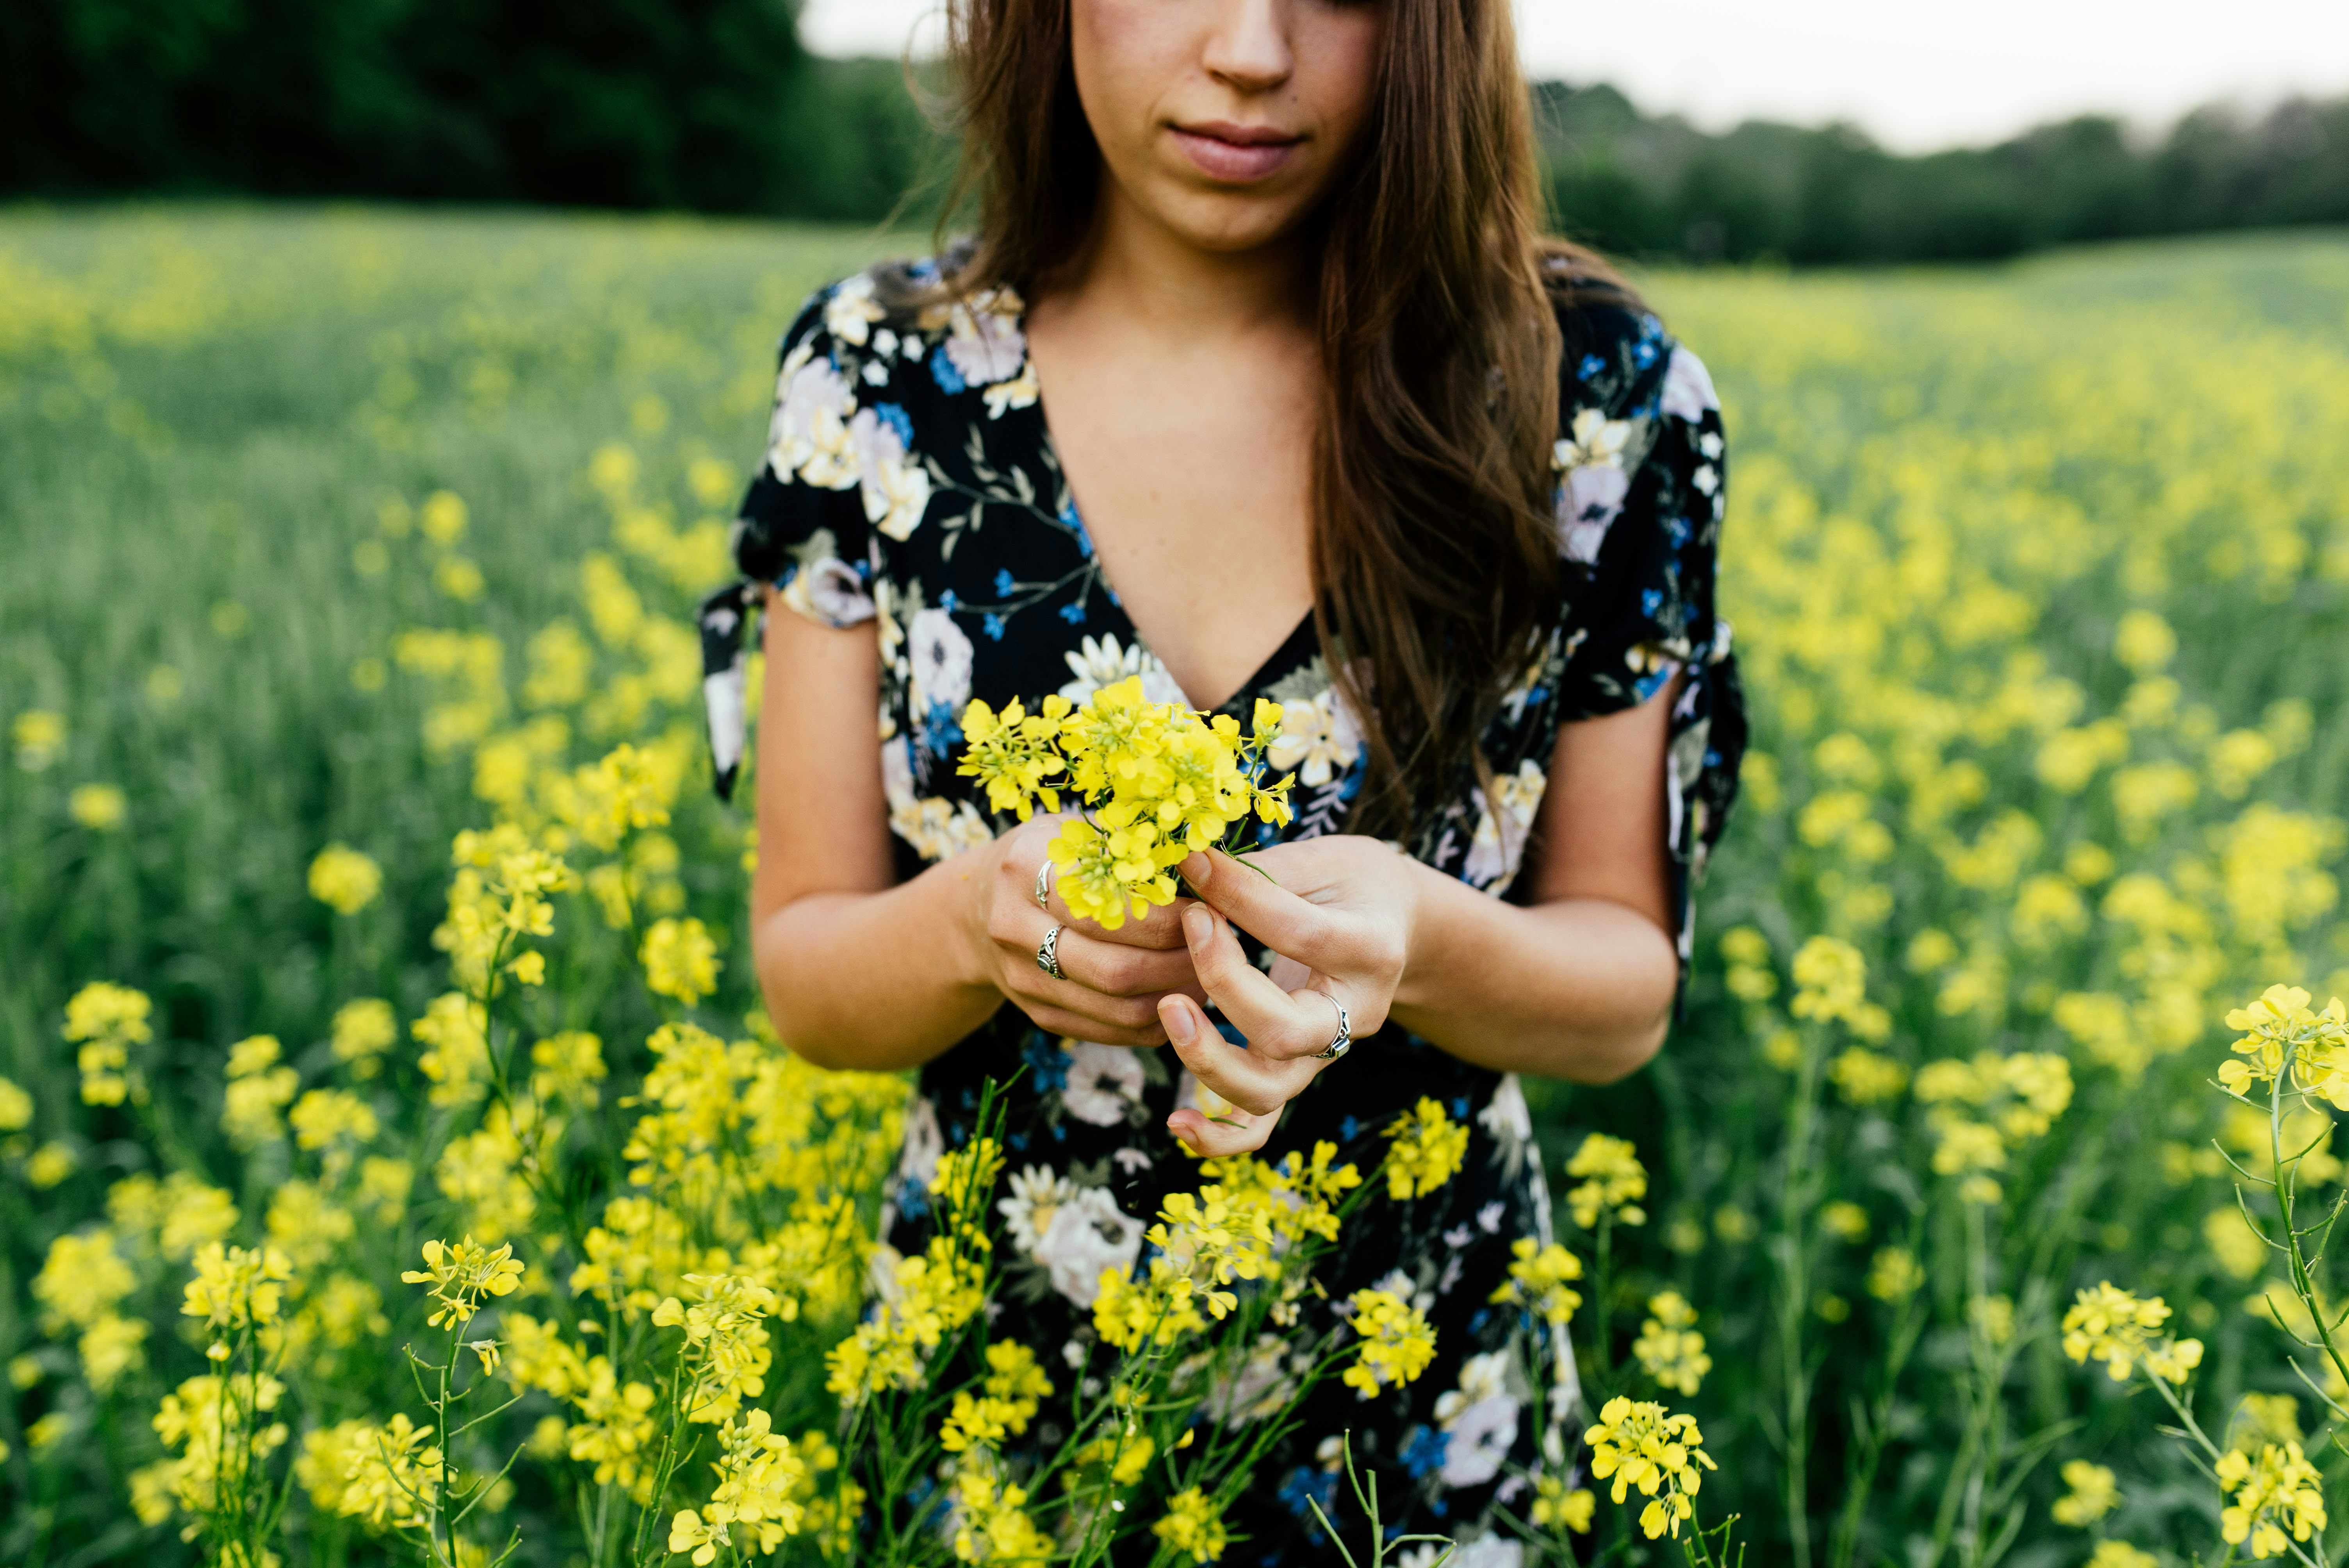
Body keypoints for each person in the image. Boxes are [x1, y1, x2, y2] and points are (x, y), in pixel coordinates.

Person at [710, 0, 1743, 1557]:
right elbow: (807, 970)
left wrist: (1426, 941)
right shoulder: (874, 380)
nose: (1252, 51)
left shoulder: (1591, 394)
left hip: (1412, 1429)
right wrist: (972, 923)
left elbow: (1622, 990)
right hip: (1000, 1420)